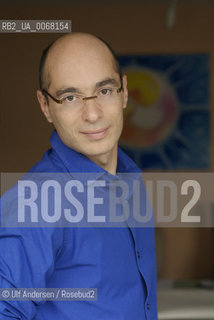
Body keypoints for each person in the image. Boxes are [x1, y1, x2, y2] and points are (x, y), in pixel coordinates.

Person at [0, 32, 157, 319]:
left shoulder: (131, 180)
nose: (93, 114)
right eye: (70, 97)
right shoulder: (34, 204)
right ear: (45, 105)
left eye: (104, 91)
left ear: (123, 90)